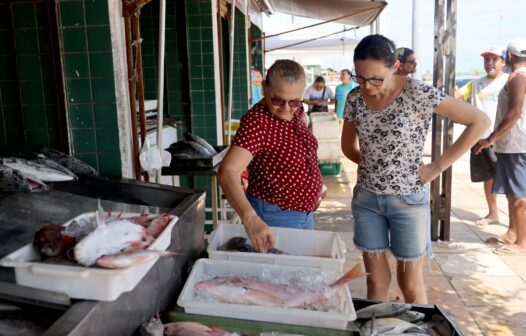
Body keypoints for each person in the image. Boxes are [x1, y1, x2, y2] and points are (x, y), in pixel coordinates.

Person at [341, 35, 490, 304]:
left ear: (395, 67)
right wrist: (378, 167)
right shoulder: (354, 98)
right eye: (360, 78)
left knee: (409, 283)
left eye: (375, 78)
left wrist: (437, 167)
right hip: (367, 200)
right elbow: (348, 148)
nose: (367, 86)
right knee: (375, 281)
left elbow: (479, 121)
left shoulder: (417, 92)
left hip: (408, 201)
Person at [218, 59, 323, 253]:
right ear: (265, 89)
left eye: (294, 101)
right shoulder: (258, 122)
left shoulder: (297, 110)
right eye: (277, 100)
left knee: (299, 273)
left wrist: (316, 187)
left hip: (303, 214)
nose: (285, 108)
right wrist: (251, 219)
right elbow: (228, 172)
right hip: (276, 214)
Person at [474, 37, 526, 254]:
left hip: (516, 144)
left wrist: (489, 139)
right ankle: (512, 232)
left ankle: (522, 243)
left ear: (509, 57)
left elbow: (514, 114)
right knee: (512, 193)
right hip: (512, 144)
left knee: (519, 196)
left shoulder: (517, 77)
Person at [454, 46, 508, 226]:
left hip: (505, 139)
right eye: (486, 59)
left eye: (494, 59)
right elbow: (457, 96)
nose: (490, 63)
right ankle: (493, 214)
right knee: (488, 178)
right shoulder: (475, 83)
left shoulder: (510, 81)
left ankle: (516, 221)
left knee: (510, 180)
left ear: (504, 62)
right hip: (481, 138)